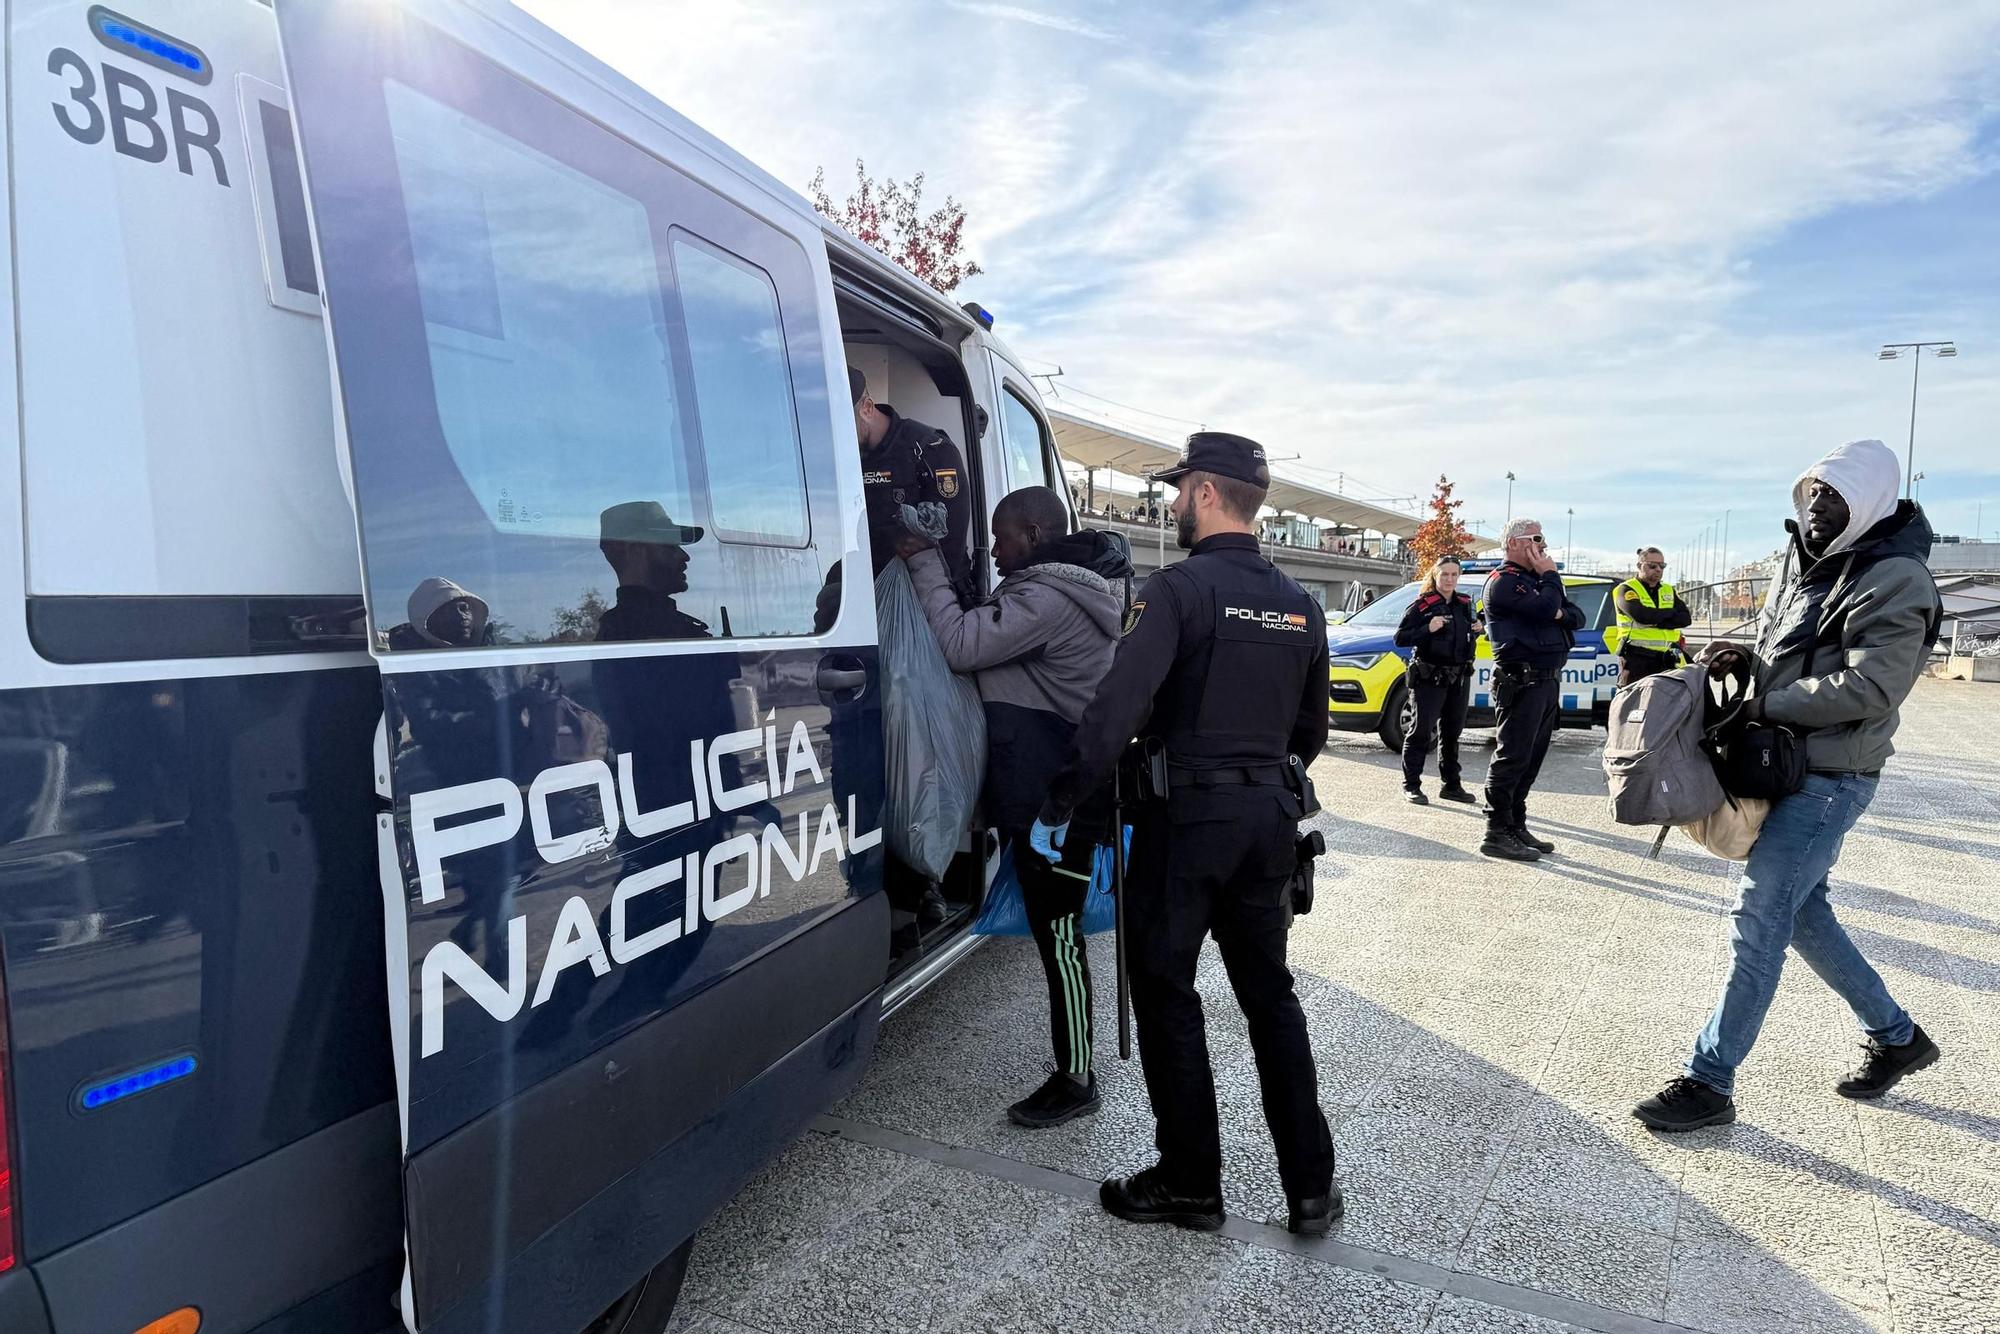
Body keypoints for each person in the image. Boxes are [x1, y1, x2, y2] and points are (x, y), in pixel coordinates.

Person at [1030, 431, 1340, 1238]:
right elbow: (1311, 734)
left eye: (1178, 491)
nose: (1172, 505)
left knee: (1167, 992)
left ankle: (1190, 1182)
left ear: (1206, 492)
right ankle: (1311, 1189)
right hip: (1269, 824)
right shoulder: (1302, 605)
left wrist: (1064, 799)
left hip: (1186, 825)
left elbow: (1113, 714)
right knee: (1270, 998)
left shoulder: (1176, 592)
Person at [1634, 438, 1943, 1131]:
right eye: (1811, 493)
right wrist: (1743, 657)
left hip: (1832, 774)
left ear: (1868, 503)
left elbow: (1873, 685)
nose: (1815, 508)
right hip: (1785, 762)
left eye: (1832, 497)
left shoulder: (1896, 578)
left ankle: (1708, 1081)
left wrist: (1765, 703)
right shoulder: (1805, 561)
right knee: (1804, 917)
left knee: (1759, 919)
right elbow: (1784, 647)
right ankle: (1900, 1039)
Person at [899, 486, 1129, 1128]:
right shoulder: (1058, 592)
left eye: (1002, 538)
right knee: (1058, 936)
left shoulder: (1046, 597)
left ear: (1032, 534)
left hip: (1053, 806)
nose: (995, 551)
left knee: (1060, 938)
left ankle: (1078, 1077)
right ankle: (1077, 1069)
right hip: (1050, 795)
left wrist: (922, 559)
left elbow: (963, 646)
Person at [1479, 518, 1585, 862]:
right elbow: (1544, 609)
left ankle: (1515, 824)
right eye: (1536, 539)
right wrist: (1551, 579)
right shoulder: (1504, 582)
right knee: (1512, 757)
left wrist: (1552, 600)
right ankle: (1495, 832)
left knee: (1532, 758)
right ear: (1512, 544)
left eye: (1543, 539)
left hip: (1546, 679)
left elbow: (1576, 616)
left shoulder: (1535, 581)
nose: (1543, 547)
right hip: (1521, 680)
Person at [852, 367, 973, 602]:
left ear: (867, 408)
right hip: (868, 592)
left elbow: (950, 546)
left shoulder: (930, 450)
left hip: (929, 600)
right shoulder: (848, 456)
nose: (838, 435)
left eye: (842, 421)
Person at [1394, 556, 1482, 804]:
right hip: (1429, 677)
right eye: (1445, 574)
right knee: (1420, 732)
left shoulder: (1465, 604)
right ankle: (1411, 785)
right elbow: (1400, 638)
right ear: (1435, 575)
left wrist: (1478, 628)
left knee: (1452, 733)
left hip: (1458, 677)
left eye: (1454, 574)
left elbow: (1471, 631)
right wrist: (1427, 629)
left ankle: (1451, 786)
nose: (1450, 579)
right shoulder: (1422, 606)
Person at [595, 501, 711, 642]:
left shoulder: (613, 630)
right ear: (635, 551)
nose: (684, 556)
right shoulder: (650, 633)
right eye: (670, 546)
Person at [1607, 547, 1689, 688]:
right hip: (1637, 659)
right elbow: (1642, 616)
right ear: (1639, 566)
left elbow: (1685, 619)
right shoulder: (1626, 589)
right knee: (1633, 704)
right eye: (1652, 565)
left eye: (1662, 566)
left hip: (1666, 659)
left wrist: (1655, 619)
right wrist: (1670, 613)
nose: (1658, 569)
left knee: (1667, 705)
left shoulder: (1668, 590)